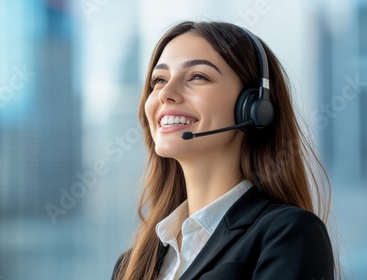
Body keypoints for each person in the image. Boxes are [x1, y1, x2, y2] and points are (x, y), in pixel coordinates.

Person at [112, 20, 337, 280]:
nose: (166, 94)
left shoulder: (286, 234)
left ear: (253, 107)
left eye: (198, 76)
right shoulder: (132, 264)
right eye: (159, 80)